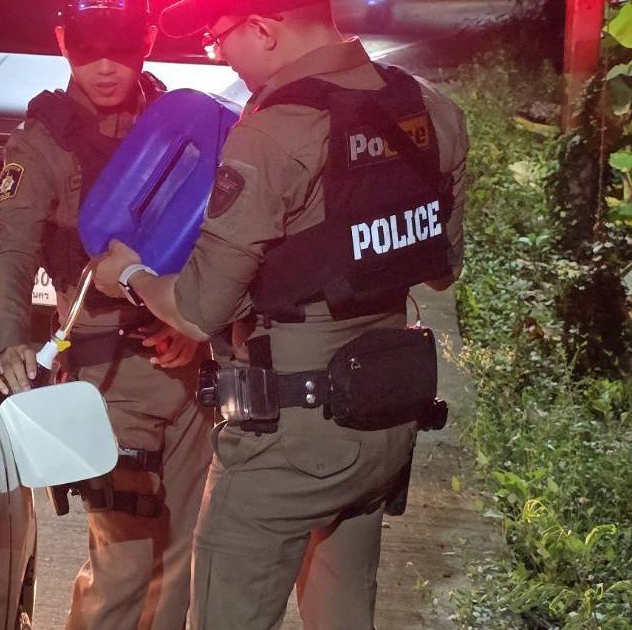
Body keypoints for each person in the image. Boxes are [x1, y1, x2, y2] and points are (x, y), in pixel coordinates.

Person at [91, 0, 469, 627]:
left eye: (218, 38)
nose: (220, 56)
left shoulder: (274, 132)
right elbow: (440, 268)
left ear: (263, 30)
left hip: (288, 442)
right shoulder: (429, 109)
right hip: (384, 422)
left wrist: (130, 276)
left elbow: (199, 309)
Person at [0, 1, 213, 628]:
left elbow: (213, 237)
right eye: (88, 47)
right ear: (63, 42)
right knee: (125, 563)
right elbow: (11, 252)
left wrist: (193, 328)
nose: (106, 66)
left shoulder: (176, 121)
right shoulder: (44, 141)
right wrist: (9, 343)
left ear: (148, 40)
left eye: (123, 45)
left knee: (182, 556)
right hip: (106, 377)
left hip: (185, 367)